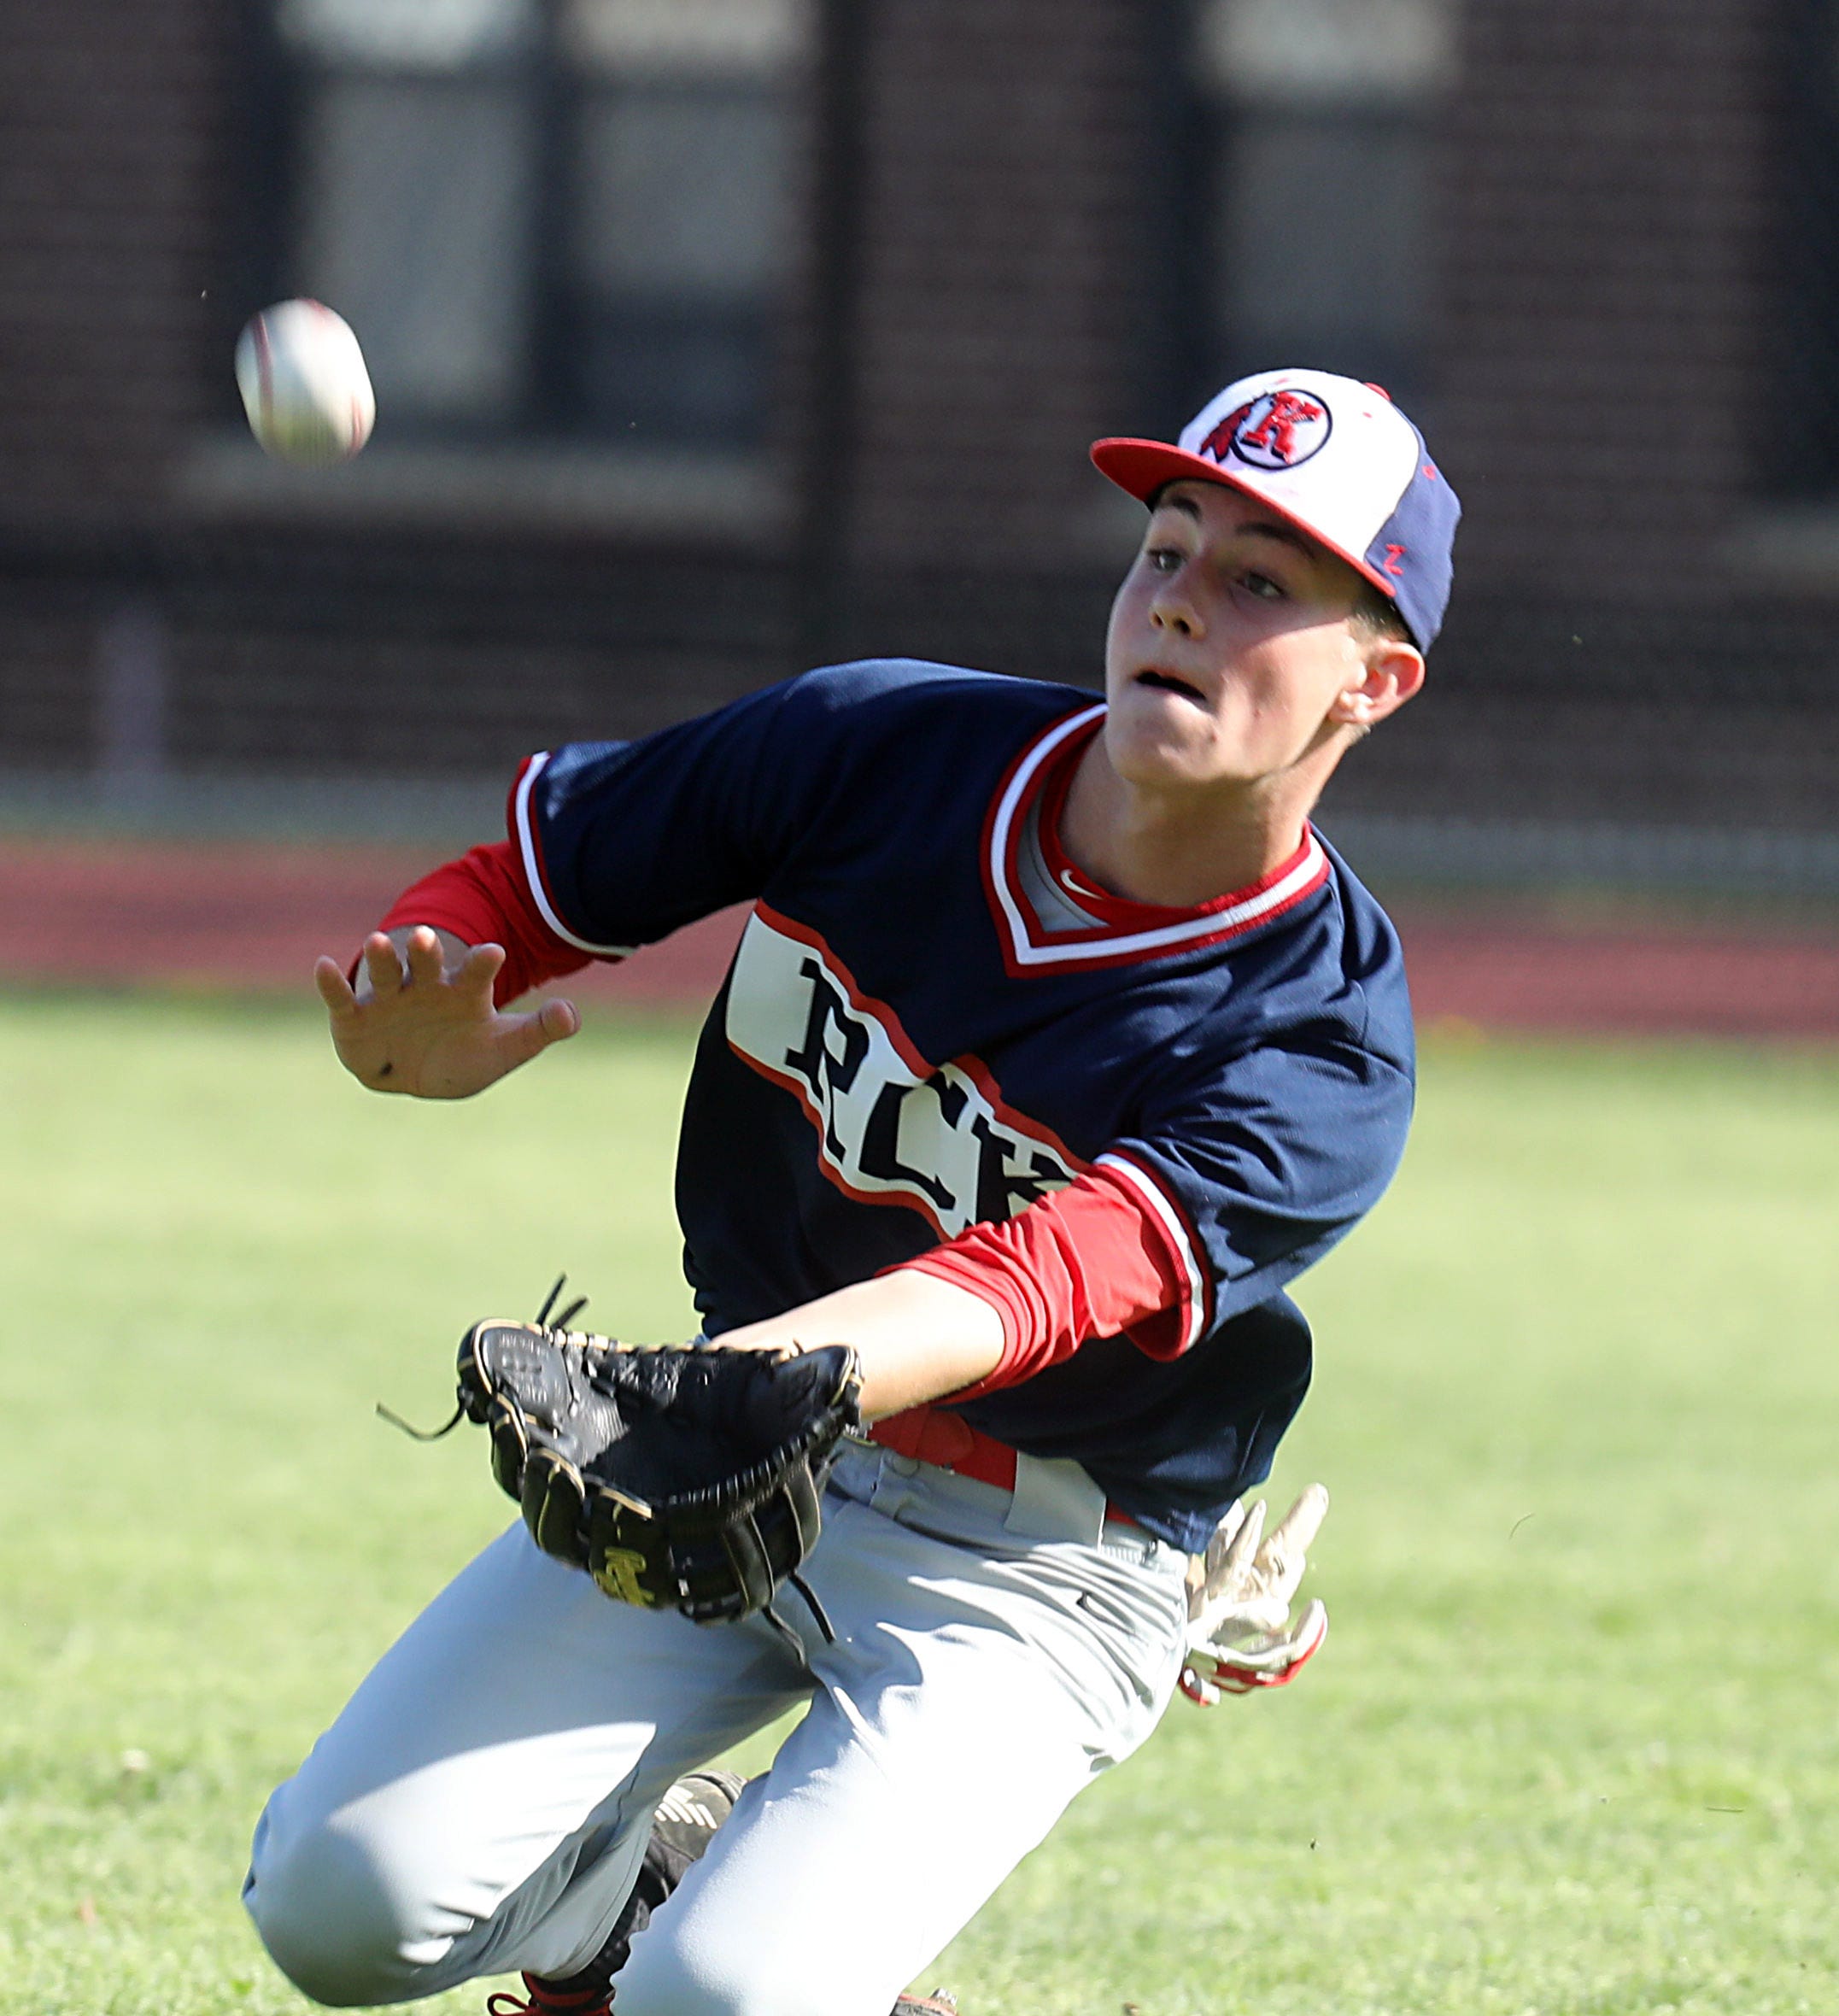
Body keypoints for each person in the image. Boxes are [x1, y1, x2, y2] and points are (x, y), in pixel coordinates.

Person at [243, 367, 1459, 2016]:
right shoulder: (883, 747)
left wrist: (752, 1383)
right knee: (336, 1908)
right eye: (1164, 550)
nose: (1178, 604)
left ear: (1371, 682)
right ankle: (628, 1899)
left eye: (1259, 582)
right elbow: (535, 881)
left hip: (1041, 1571)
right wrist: (421, 998)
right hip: (736, 1481)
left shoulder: (1323, 1027)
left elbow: (1045, 1276)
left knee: (724, 2003)